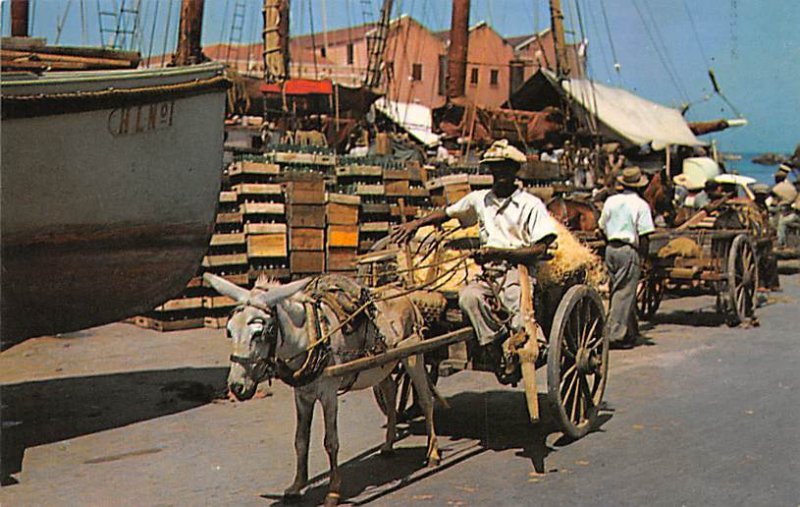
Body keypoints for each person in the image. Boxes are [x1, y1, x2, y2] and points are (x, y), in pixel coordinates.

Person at [391, 139, 558, 378]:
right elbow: (447, 213)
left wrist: (500, 253)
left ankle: (534, 346)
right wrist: (415, 224)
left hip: (518, 268)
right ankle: (497, 346)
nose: (499, 172)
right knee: (469, 298)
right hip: (488, 271)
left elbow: (540, 248)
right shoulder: (480, 199)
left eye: (504, 167)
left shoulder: (531, 205)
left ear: (514, 170)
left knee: (516, 304)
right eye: (494, 167)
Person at [598, 166, 655, 349]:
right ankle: (614, 335)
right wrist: (644, 259)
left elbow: (602, 226)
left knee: (619, 289)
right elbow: (644, 235)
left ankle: (631, 330)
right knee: (624, 292)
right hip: (628, 250)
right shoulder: (641, 205)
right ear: (640, 186)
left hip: (610, 249)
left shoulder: (611, 201)